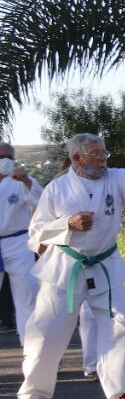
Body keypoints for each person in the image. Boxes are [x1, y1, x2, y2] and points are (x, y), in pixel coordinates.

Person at [12, 133, 125, 399]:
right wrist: (68, 223)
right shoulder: (57, 189)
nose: (104, 158)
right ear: (77, 158)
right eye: (97, 154)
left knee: (122, 327)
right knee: (45, 333)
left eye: (105, 153)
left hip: (105, 266)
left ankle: (123, 392)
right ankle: (32, 394)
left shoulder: (115, 179)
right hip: (65, 269)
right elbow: (36, 233)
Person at [0, 147, 42, 342]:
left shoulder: (20, 182)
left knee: (28, 294)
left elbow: (40, 200)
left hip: (17, 242)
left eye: (10, 157)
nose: (6, 160)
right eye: (1, 157)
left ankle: (34, 350)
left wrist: (26, 181)